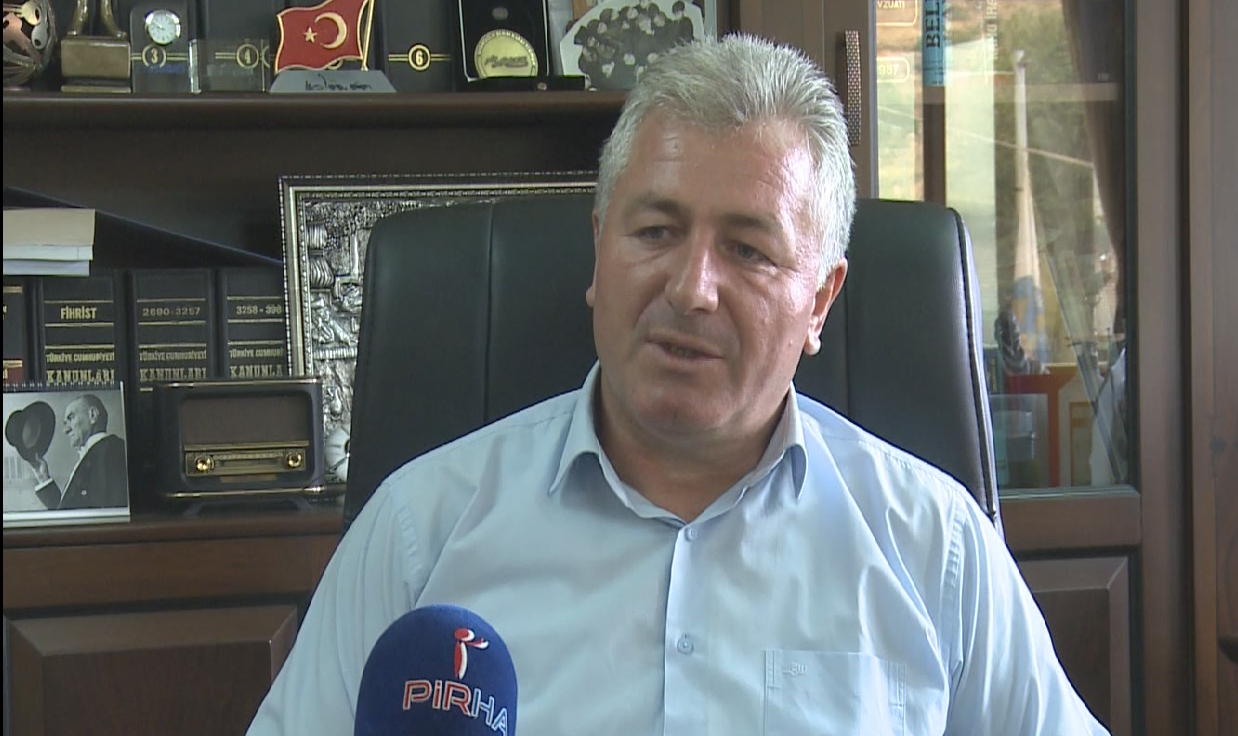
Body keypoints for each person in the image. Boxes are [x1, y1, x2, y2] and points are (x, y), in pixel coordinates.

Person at [248, 35, 1109, 735]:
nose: (692, 288)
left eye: (748, 250)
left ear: (820, 301)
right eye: (657, 231)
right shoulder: (421, 532)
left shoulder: (934, 548)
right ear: (599, 252)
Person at [29, 393, 128, 510]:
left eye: (71, 418)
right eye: (65, 423)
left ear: (93, 415)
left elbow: (109, 513)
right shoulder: (96, 454)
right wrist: (43, 478)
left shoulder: (111, 450)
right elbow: (71, 512)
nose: (65, 430)